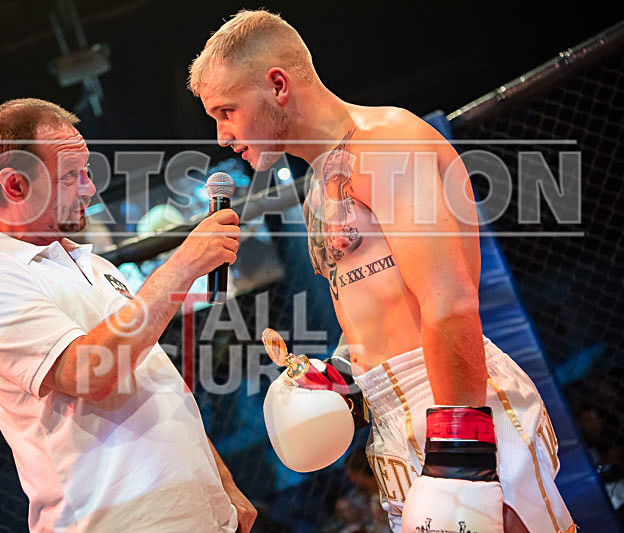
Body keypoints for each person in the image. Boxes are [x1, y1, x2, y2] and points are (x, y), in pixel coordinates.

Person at [188, 10, 575, 533]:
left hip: (456, 403)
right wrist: (340, 372)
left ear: (277, 85)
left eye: (226, 111)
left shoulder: (384, 142)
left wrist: (460, 451)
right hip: (393, 419)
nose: (222, 135)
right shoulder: (319, 185)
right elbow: (375, 306)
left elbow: (450, 299)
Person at [0, 98, 256, 532]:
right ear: (15, 185)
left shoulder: (94, 265)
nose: (89, 188)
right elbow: (90, 372)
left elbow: (155, 381)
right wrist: (184, 264)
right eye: (70, 176)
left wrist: (221, 481)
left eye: (86, 171)